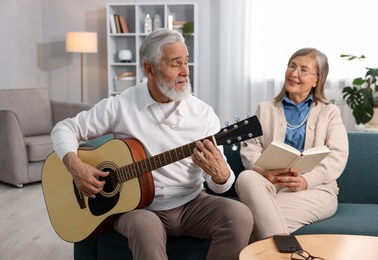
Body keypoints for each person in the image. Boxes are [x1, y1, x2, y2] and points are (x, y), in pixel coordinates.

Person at [51, 28, 253, 260]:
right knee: (144, 226)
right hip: (139, 209)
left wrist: (219, 176)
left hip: (191, 204)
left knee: (240, 215)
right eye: (175, 64)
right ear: (149, 68)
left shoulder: (203, 114)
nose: (185, 72)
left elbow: (220, 186)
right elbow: (64, 128)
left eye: (186, 62)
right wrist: (75, 166)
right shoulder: (121, 105)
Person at [235, 48, 349, 241]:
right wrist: (263, 172)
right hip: (269, 184)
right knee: (246, 177)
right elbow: (251, 148)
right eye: (292, 66)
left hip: (315, 189)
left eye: (304, 70)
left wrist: (306, 181)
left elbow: (337, 156)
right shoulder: (265, 109)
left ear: (317, 80)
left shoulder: (329, 112)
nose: (294, 73)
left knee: (254, 223)